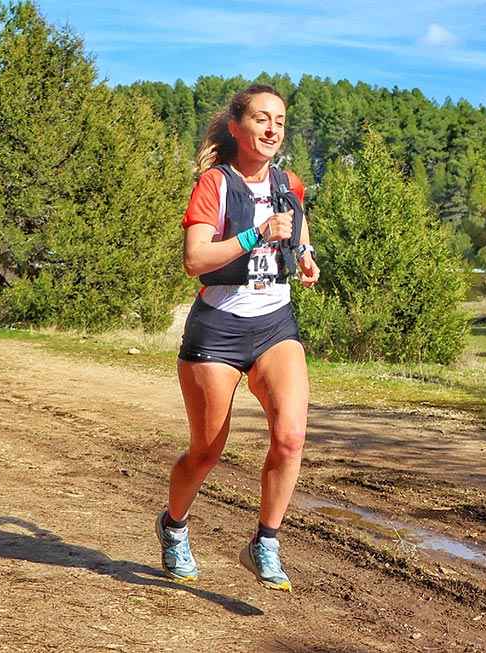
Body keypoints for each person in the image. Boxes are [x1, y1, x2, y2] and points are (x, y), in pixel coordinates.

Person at [155, 84, 319, 592]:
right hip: (218, 328)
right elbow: (195, 261)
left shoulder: (289, 183)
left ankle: (265, 541)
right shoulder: (215, 184)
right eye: (262, 119)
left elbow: (296, 224)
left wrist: (306, 255)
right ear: (237, 127)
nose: (273, 129)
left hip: (275, 323)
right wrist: (255, 235)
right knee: (206, 450)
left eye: (281, 121)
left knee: (290, 437)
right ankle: (174, 525)